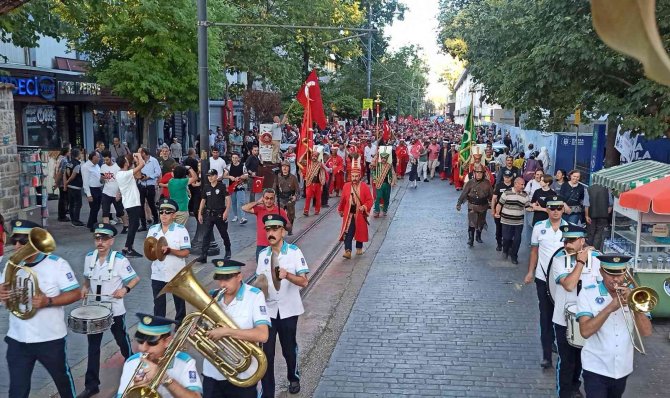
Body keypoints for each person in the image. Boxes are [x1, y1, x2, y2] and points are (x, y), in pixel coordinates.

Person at [0, 220, 81, 398]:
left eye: (23, 242)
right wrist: (2, 296)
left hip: (50, 339)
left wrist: (48, 301)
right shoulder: (10, 266)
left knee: (63, 383)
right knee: (17, 391)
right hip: (18, 339)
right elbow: (6, 300)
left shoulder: (57, 264)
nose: (17, 246)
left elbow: (76, 293)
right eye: (15, 241)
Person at [577, 255, 652, 398]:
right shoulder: (588, 293)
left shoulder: (636, 294)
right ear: (601, 272)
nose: (616, 279)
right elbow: (585, 331)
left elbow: (646, 332)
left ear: (625, 272)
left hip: (623, 369)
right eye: (610, 274)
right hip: (595, 367)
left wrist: (634, 306)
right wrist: (610, 307)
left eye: (620, 274)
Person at [78, 223, 139, 398]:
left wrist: (124, 290)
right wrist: (84, 287)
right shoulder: (89, 257)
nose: (100, 242)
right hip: (95, 310)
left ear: (111, 241)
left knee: (123, 342)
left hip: (114, 310)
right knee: (93, 347)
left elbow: (134, 279)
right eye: (97, 238)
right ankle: (92, 385)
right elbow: (87, 278)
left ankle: (134, 372)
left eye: (104, 239)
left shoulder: (120, 260)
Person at [257, 214, 309, 397]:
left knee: (288, 348)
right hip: (268, 311)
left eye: (274, 229)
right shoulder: (263, 255)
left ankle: (293, 377)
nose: (270, 233)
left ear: (282, 230)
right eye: (268, 230)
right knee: (266, 353)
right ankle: (267, 392)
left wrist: (287, 276)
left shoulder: (294, 252)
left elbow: (304, 282)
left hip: (288, 309)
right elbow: (260, 283)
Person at [202, 259, 270, 398]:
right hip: (212, 373)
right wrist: (195, 331)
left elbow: (263, 335)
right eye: (219, 279)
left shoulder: (254, 296)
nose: (222, 284)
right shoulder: (212, 296)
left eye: (227, 279)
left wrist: (227, 332)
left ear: (239, 276)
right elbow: (201, 328)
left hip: (242, 375)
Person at [551, 224, 601, 398]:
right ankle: (565, 393)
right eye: (565, 241)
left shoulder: (597, 259)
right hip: (563, 320)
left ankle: (574, 387)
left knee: (582, 358)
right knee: (567, 362)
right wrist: (580, 261)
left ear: (582, 241)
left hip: (586, 319)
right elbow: (569, 284)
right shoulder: (559, 259)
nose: (567, 245)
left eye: (572, 241)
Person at [523, 196, 568, 370]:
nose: (556, 211)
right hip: (543, 278)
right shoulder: (539, 227)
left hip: (564, 281)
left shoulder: (570, 229)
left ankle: (562, 348)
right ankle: (546, 354)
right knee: (545, 316)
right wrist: (530, 272)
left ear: (562, 209)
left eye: (559, 207)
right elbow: (534, 251)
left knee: (563, 317)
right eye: (552, 208)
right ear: (547, 209)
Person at [116, 313, 203, 397]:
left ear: (167, 341)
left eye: (151, 343)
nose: (143, 348)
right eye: (140, 341)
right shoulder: (131, 362)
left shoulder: (185, 362)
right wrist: (134, 390)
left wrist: (165, 379)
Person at [148, 199, 191, 324]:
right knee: (158, 304)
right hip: (157, 273)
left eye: (167, 212)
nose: (164, 215)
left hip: (176, 273)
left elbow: (186, 252)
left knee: (179, 304)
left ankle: (180, 325)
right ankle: (160, 329)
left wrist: (170, 251)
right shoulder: (153, 230)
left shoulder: (180, 230)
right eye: (161, 212)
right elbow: (148, 250)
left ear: (174, 215)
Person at [338, 157, 373, 258]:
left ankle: (359, 247)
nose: (354, 178)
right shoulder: (346, 186)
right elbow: (343, 200)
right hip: (349, 214)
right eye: (352, 176)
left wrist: (364, 206)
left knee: (360, 231)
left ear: (360, 176)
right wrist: (340, 209)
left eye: (356, 176)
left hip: (360, 213)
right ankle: (347, 250)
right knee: (348, 231)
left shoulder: (364, 187)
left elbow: (370, 200)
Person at [241, 188, 290, 259]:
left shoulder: (280, 211)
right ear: (263, 198)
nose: (269, 201)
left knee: (276, 268)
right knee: (261, 268)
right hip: (261, 245)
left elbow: (289, 227)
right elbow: (244, 208)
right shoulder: (259, 209)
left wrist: (284, 223)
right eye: (266, 198)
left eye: (271, 198)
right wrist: (257, 202)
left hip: (276, 245)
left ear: (274, 199)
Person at [196, 169, 232, 262]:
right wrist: (200, 213)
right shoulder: (206, 187)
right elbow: (203, 200)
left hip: (219, 213)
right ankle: (204, 255)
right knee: (206, 235)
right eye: (208, 176)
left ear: (216, 176)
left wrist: (226, 211)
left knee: (223, 233)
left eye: (212, 175)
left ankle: (228, 251)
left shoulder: (222, 186)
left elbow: (228, 199)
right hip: (209, 214)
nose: (210, 178)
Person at [495, 177, 531, 264]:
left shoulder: (525, 195)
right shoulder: (507, 193)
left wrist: (536, 208)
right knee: (506, 238)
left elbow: (527, 207)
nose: (523, 186)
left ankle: (514, 256)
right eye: (521, 184)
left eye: (524, 184)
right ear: (516, 184)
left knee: (517, 240)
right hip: (506, 221)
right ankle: (505, 250)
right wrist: (497, 213)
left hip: (519, 222)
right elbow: (499, 204)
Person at [457, 164, 493, 247]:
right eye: (477, 172)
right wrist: (459, 203)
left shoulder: (487, 183)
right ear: (474, 173)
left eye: (480, 172)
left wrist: (493, 204)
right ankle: (471, 239)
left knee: (480, 222)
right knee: (472, 222)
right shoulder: (470, 182)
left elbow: (491, 195)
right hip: (472, 205)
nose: (479, 174)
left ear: (483, 173)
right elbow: (464, 193)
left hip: (483, 206)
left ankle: (478, 236)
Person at [117, 153, 145, 258]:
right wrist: (138, 155)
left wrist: (135, 162)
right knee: (134, 225)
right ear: (125, 163)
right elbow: (142, 165)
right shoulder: (125, 174)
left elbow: (138, 175)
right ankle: (127, 248)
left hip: (131, 202)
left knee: (134, 225)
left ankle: (129, 247)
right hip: (132, 203)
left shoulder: (122, 173)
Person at [100, 150, 128, 233]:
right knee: (105, 211)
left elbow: (121, 181)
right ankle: (106, 230)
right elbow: (101, 181)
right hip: (106, 192)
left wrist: (119, 192)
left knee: (120, 211)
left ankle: (126, 225)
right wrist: (102, 178)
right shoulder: (103, 167)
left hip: (116, 192)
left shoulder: (117, 167)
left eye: (107, 160)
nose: (106, 162)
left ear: (111, 158)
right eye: (104, 160)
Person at [138, 147, 161, 231]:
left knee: (151, 204)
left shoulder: (153, 160)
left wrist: (148, 177)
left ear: (144, 153)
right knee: (141, 205)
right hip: (141, 185)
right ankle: (143, 224)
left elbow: (158, 172)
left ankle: (156, 220)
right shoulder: (139, 161)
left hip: (150, 185)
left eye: (140, 153)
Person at [585, 184, 613, 251]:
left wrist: (586, 215)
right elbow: (611, 204)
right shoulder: (606, 189)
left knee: (591, 232)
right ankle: (595, 249)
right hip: (603, 215)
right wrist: (607, 211)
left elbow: (586, 204)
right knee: (599, 233)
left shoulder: (588, 189)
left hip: (591, 215)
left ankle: (588, 249)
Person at [491, 169, 514, 251]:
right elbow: (494, 198)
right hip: (499, 211)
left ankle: (509, 244)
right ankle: (499, 244)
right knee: (499, 228)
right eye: (505, 177)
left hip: (511, 212)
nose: (506, 178)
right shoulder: (499, 186)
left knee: (510, 229)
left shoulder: (514, 186)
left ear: (511, 177)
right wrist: (492, 210)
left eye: (508, 177)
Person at [224, 152, 249, 224]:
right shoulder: (228, 166)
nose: (234, 159)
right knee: (234, 202)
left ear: (239, 158)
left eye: (236, 158)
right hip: (232, 187)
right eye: (233, 158)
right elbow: (224, 176)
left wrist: (240, 177)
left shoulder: (243, 166)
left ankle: (243, 217)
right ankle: (235, 216)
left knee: (241, 202)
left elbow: (246, 175)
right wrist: (230, 177)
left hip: (240, 186)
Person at [277, 160, 300, 235]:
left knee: (291, 215)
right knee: (279, 215)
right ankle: (280, 230)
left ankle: (290, 229)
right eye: (283, 166)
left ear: (289, 168)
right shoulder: (278, 177)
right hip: (280, 199)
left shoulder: (293, 178)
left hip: (290, 199)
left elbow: (297, 190)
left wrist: (295, 196)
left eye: (286, 167)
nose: (285, 168)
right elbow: (274, 188)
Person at [371, 150, 397, 217]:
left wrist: (393, 182)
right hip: (379, 184)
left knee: (386, 198)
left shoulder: (389, 165)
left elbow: (393, 173)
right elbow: (372, 169)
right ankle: (377, 211)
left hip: (387, 184)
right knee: (378, 197)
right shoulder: (377, 164)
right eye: (382, 158)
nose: (383, 159)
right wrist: (374, 178)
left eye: (384, 158)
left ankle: (385, 210)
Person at [64, 147, 85, 226]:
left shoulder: (68, 163)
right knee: (78, 204)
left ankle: (73, 219)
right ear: (78, 155)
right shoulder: (77, 165)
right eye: (80, 153)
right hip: (76, 187)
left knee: (71, 204)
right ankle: (76, 220)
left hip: (70, 187)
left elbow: (65, 174)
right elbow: (73, 176)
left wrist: (66, 183)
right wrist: (67, 182)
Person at [302, 149, 326, 216]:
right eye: (313, 156)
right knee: (308, 197)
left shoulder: (320, 164)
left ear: (317, 157)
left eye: (316, 156)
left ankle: (317, 210)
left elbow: (325, 171)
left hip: (318, 183)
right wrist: (305, 152)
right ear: (311, 156)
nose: (314, 157)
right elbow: (302, 165)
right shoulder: (308, 163)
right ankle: (306, 211)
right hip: (310, 183)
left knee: (318, 198)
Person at [54, 146, 71, 222]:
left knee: (62, 198)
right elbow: (62, 172)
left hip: (59, 181)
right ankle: (62, 216)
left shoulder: (59, 158)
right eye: (69, 151)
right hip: (62, 182)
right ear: (66, 152)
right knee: (63, 199)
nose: (70, 152)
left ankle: (62, 214)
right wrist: (62, 183)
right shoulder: (64, 160)